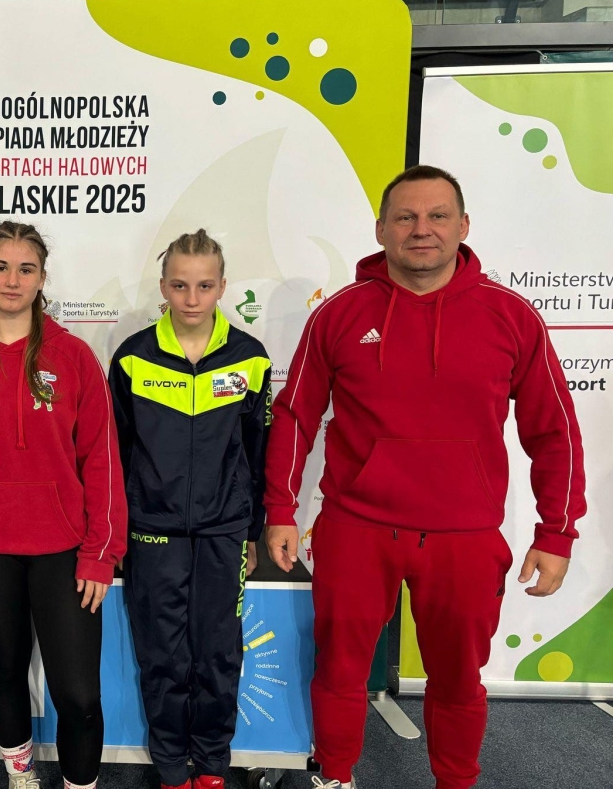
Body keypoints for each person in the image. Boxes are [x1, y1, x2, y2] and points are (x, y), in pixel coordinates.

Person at [263, 165, 586, 789]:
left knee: (459, 679)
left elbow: (555, 432)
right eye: (406, 217)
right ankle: (335, 776)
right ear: (381, 229)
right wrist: (280, 508)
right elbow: (295, 414)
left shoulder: (511, 317)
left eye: (438, 216)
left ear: (463, 226)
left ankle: (455, 782)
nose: (422, 229)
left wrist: (557, 532)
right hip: (357, 528)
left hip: (464, 537)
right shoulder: (339, 314)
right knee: (340, 670)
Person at [0, 221, 127, 789]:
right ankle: (21, 773)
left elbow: (103, 459)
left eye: (25, 269)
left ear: (41, 279)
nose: (12, 280)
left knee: (78, 693)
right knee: (5, 671)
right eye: (1, 267)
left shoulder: (76, 357)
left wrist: (101, 553)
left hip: (66, 549)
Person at [109, 230, 271, 789]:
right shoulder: (133, 357)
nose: (192, 297)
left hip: (225, 530)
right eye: (180, 285)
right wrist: (118, 528)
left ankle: (212, 764)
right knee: (163, 657)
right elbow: (115, 452)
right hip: (151, 530)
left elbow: (258, 449)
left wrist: (252, 530)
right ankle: (172, 767)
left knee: (219, 655)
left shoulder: (250, 357)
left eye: (204, 285)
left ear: (223, 286)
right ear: (163, 287)